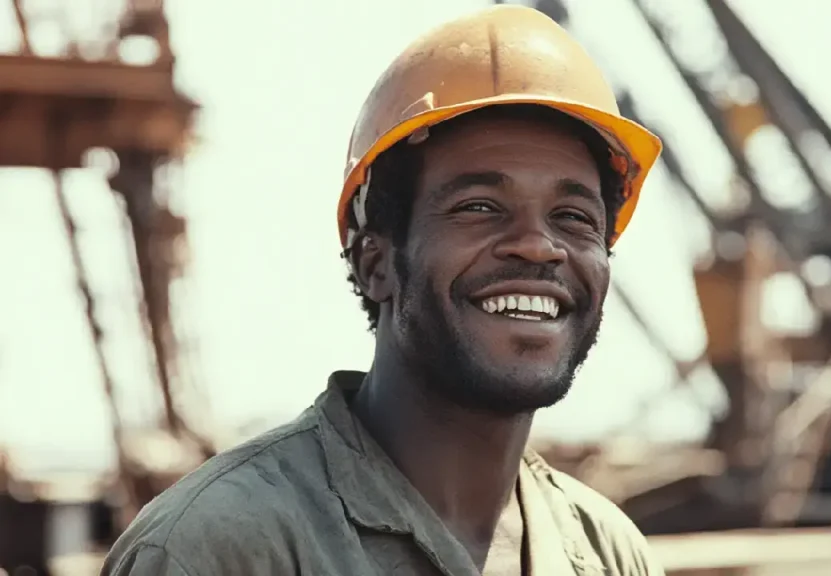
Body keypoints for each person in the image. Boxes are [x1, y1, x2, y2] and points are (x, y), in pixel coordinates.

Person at [101, 5, 664, 575]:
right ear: (375, 261)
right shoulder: (220, 549)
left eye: (573, 216)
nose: (538, 245)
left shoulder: (606, 553)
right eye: (479, 207)